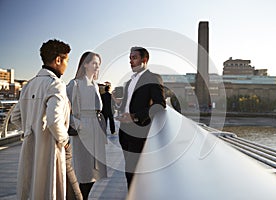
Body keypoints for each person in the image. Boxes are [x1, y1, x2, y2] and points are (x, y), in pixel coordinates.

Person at [10, 39, 82, 199]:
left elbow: (15, 117)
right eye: (67, 61)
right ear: (58, 60)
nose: (66, 65)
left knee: (32, 189)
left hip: (31, 147)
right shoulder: (56, 84)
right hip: (51, 149)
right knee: (51, 190)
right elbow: (54, 120)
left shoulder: (29, 85)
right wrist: (65, 140)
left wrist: (32, 128)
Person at [113, 46, 166, 189]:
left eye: (134, 58)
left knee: (133, 173)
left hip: (139, 132)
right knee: (129, 171)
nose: (131, 61)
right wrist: (119, 106)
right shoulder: (129, 82)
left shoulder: (153, 78)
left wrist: (135, 117)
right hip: (124, 132)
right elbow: (128, 104)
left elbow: (160, 105)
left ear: (145, 60)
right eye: (130, 58)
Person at [66, 51, 107, 200]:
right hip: (83, 130)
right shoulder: (74, 84)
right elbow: (65, 110)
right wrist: (78, 124)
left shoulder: (95, 85)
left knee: (93, 173)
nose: (97, 67)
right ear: (85, 64)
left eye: (98, 64)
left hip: (95, 130)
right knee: (83, 172)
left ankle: (83, 197)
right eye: (94, 63)